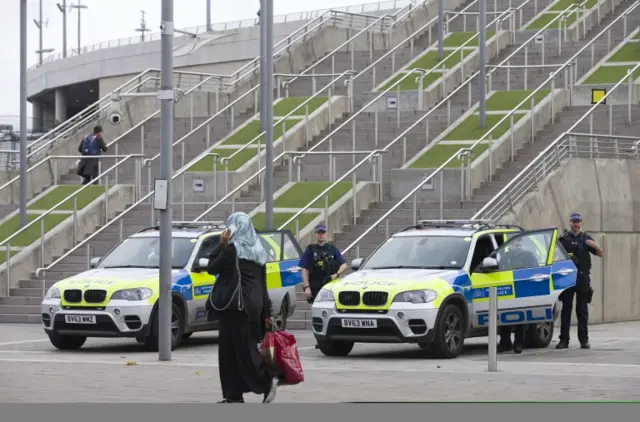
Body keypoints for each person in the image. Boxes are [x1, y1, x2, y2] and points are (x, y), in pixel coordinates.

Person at [206, 212, 279, 404]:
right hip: (254, 307)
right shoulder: (259, 251)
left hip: (235, 307)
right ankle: (234, 395)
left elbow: (211, 267)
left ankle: (267, 379)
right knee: (240, 348)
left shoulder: (232, 250)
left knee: (235, 351)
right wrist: (268, 312)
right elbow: (263, 285)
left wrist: (221, 244)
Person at [556, 212, 604, 350]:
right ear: (570, 223)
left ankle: (584, 340)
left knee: (582, 310)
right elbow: (555, 255)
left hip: (582, 278)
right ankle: (563, 340)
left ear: (581, 223)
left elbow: (601, 254)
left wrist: (595, 246)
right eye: (574, 221)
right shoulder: (564, 238)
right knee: (566, 309)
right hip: (567, 277)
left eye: (578, 221)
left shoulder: (586, 238)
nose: (576, 224)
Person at [497, 237, 539, 354]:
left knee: (520, 316)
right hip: (508, 287)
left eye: (520, 242)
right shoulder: (506, 256)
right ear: (511, 244)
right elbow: (500, 269)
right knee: (505, 315)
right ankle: (505, 342)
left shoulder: (529, 256)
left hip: (522, 288)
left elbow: (535, 270)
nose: (518, 244)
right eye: (516, 242)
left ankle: (519, 343)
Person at [299, 224, 348, 304]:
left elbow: (344, 265)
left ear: (326, 234)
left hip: (330, 285)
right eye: (319, 233)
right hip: (315, 286)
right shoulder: (310, 250)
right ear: (315, 235)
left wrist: (336, 274)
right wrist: (307, 287)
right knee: (316, 308)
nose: (321, 235)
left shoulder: (332, 248)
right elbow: (304, 269)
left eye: (323, 233)